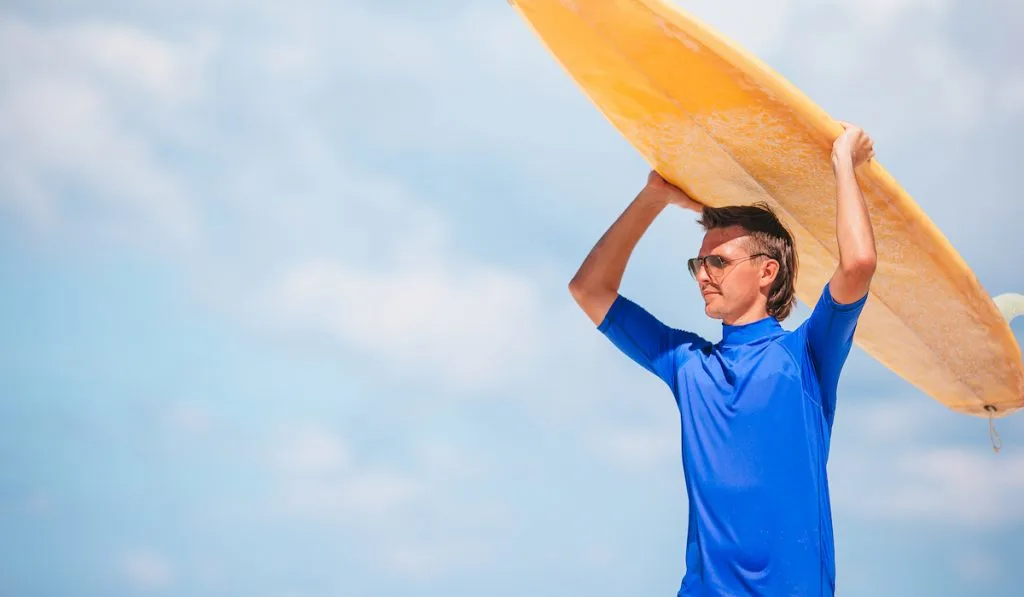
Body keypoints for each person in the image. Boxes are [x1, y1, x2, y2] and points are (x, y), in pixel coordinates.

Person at [568, 122, 878, 597]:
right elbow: (588, 289)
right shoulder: (686, 363)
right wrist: (653, 197)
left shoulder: (806, 355)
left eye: (718, 262)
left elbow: (857, 264)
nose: (703, 275)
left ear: (766, 272)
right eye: (699, 263)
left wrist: (842, 162)